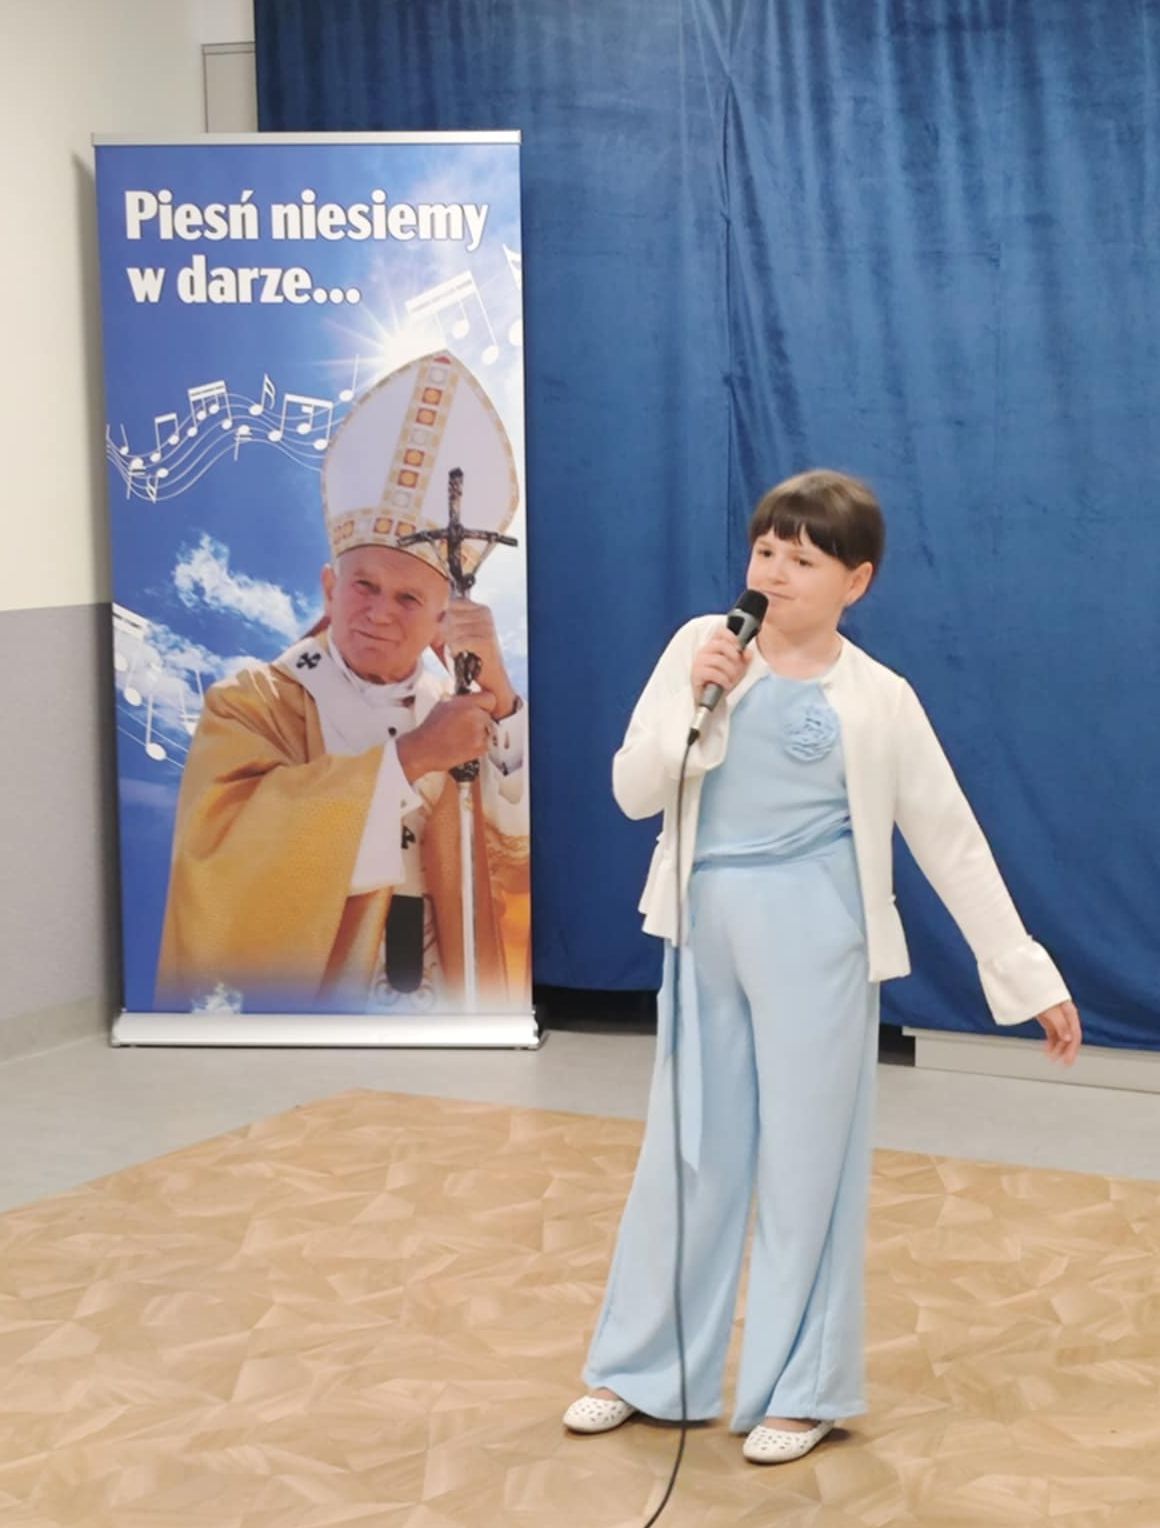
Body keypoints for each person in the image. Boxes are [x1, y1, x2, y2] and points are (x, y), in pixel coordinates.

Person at [563, 469, 1081, 1465]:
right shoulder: (701, 647)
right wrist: (702, 704)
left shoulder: (879, 698)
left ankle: (801, 1389)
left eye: (801, 560)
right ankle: (641, 1369)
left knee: (809, 1164)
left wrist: (1025, 973)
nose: (774, 572)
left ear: (856, 580)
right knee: (688, 1151)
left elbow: (949, 838)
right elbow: (633, 790)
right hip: (701, 926)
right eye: (766, 551)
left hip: (819, 936)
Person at [156, 351, 530, 1013]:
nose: (379, 612)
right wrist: (411, 758)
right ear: (330, 588)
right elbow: (220, 857)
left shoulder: (459, 715)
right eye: (364, 586)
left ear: (442, 621)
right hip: (324, 996)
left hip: (443, 996)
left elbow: (512, 862)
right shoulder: (252, 702)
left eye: (408, 599)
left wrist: (498, 702)